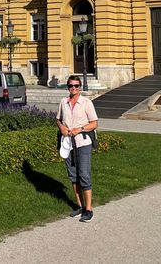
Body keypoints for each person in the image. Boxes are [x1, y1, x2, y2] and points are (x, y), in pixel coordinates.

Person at [56, 74, 99, 223]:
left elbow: (94, 123)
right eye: (70, 86)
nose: (73, 88)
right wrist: (61, 127)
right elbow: (58, 119)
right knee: (73, 176)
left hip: (83, 143)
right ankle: (80, 206)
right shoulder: (63, 102)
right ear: (67, 87)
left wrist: (80, 129)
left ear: (80, 88)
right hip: (67, 143)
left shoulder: (86, 103)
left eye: (76, 86)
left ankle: (89, 209)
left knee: (84, 175)